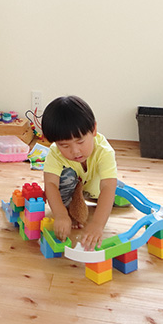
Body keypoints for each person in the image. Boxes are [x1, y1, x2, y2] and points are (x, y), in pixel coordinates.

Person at [41, 95, 118, 251]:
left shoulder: (104, 152)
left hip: (96, 189)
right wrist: (61, 214)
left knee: (114, 193)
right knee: (65, 177)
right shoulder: (55, 153)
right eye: (64, 145)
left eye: (80, 141)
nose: (75, 151)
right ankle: (71, 207)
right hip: (72, 189)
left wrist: (97, 224)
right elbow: (50, 183)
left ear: (94, 130)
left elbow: (108, 187)